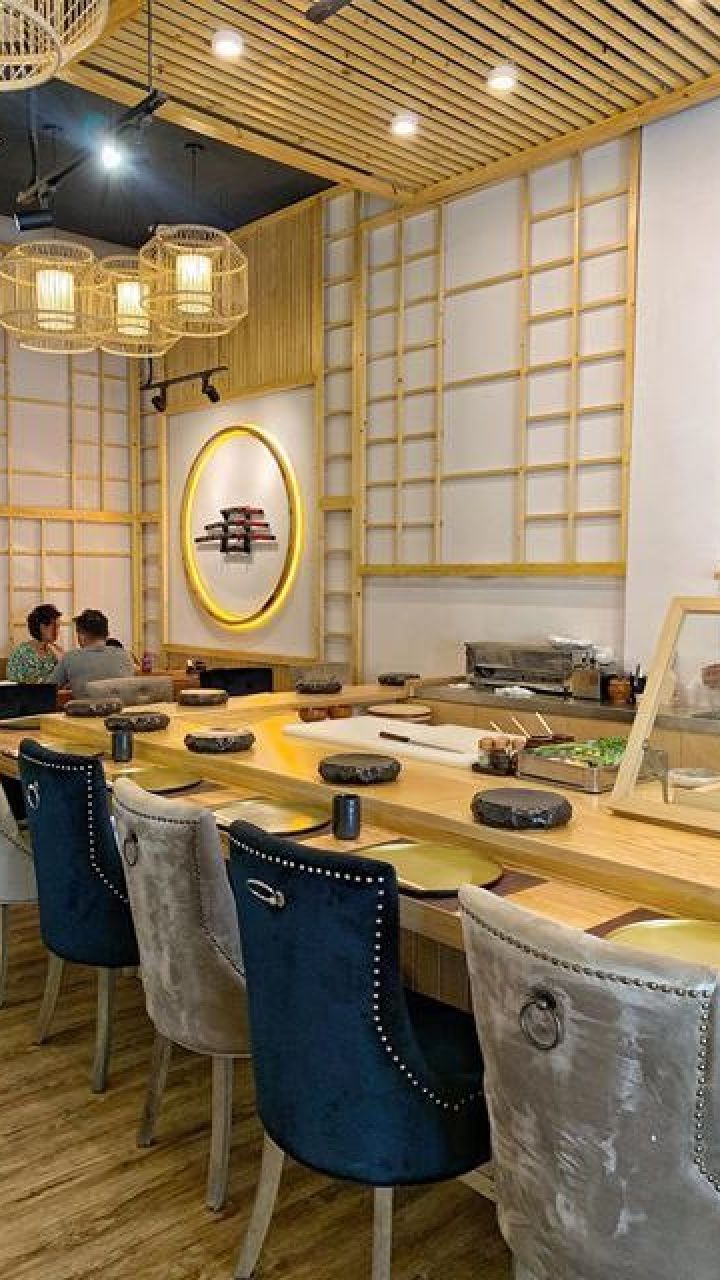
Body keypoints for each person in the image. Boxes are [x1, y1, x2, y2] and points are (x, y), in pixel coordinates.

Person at [49, 609, 133, 698]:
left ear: (81, 635)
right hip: (120, 706)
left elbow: (47, 691)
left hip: (85, 707)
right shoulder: (125, 656)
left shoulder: (70, 657)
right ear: (107, 634)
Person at [7, 604, 63, 683]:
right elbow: (12, 681)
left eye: (58, 627)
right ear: (42, 627)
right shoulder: (21, 653)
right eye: (55, 626)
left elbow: (64, 678)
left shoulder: (56, 651)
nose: (57, 631)